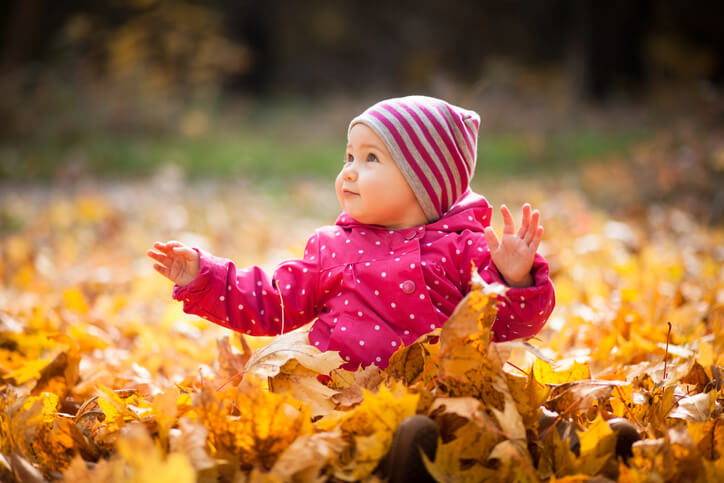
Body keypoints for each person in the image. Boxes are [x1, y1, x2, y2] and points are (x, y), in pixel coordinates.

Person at [147, 95, 555, 372]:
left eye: (371, 157)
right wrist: (203, 276)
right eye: (349, 156)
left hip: (441, 392)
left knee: (470, 416)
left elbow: (509, 327)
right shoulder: (331, 248)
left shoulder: (465, 250)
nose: (349, 170)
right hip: (339, 397)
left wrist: (513, 280)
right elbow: (273, 302)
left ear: (425, 183)